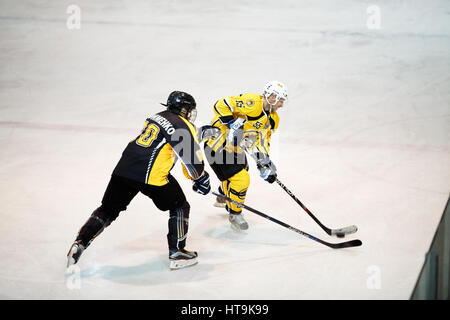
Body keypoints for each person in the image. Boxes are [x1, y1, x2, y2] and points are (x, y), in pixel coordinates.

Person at [66, 91, 212, 270]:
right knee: (180, 206)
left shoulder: (157, 117)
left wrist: (196, 176)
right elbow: (191, 162)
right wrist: (201, 178)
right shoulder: (182, 125)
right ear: (184, 109)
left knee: (108, 209)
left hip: (124, 168)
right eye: (189, 110)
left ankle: (81, 241)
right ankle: (177, 253)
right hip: (150, 175)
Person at [203, 81, 288, 230]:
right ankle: (234, 213)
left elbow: (261, 141)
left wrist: (264, 162)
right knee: (241, 179)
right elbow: (221, 104)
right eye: (280, 99)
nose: (282, 104)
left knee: (242, 169)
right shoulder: (252, 103)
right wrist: (231, 123)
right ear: (271, 96)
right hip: (216, 143)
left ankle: (224, 194)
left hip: (234, 148)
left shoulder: (274, 120)